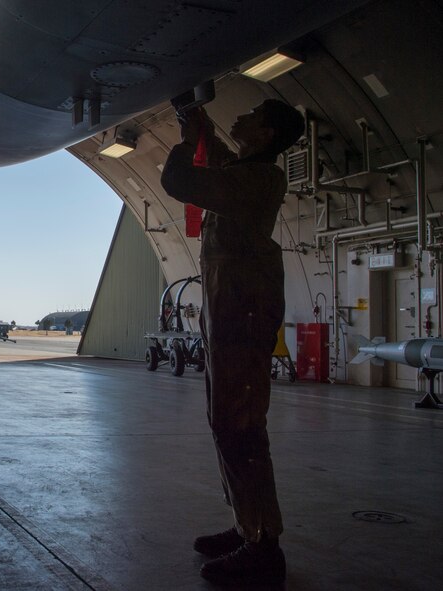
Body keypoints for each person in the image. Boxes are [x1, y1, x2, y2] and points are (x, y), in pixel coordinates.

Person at [161, 99, 305, 586]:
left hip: (242, 315)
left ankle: (264, 546)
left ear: (265, 135)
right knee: (225, 421)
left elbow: (178, 181)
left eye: (251, 114)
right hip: (228, 313)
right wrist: (195, 123)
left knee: (240, 428)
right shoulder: (246, 171)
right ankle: (248, 524)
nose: (238, 117)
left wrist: (185, 143)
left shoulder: (258, 180)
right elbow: (221, 156)